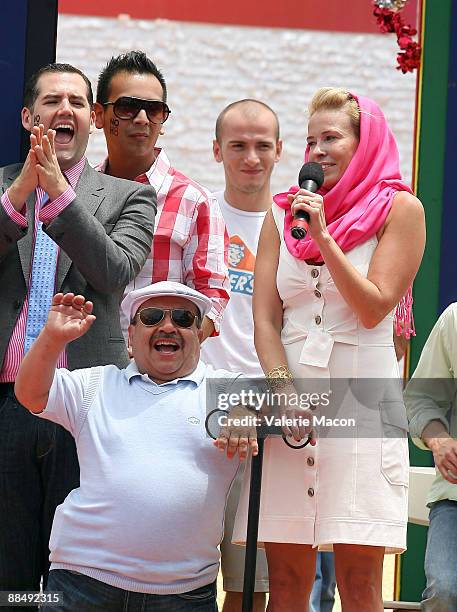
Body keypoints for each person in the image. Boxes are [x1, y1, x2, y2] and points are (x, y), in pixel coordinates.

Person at [232, 87, 426, 611]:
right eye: (310, 140)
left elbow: (374, 307)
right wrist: (283, 390)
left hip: (363, 399)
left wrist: (324, 237)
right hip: (291, 395)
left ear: (364, 143)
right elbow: (266, 319)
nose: (317, 151)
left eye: (332, 138)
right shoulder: (281, 214)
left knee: (360, 582)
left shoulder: (401, 210)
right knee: (288, 578)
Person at [0, 63, 155, 601]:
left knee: (76, 568)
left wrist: (59, 195)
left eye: (76, 101)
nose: (63, 109)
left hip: (85, 402)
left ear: (91, 118)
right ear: (28, 117)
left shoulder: (129, 196)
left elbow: (115, 271)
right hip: (6, 402)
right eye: (50, 101)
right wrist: (23, 189)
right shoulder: (1, 189)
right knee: (10, 569)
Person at [14, 282, 257, 612]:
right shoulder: (96, 383)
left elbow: (315, 405)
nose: (168, 326)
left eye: (184, 318)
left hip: (184, 595)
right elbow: (29, 394)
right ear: (131, 333)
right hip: (81, 584)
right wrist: (52, 339)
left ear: (200, 334)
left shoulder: (226, 389)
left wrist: (251, 410)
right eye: (152, 316)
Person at [201, 98, 283, 611]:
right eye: (238, 145)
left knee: (251, 581)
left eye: (262, 145)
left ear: (280, 151)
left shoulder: (299, 232)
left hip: (270, 412)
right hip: (201, 403)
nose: (250, 157)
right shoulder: (199, 213)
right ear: (217, 150)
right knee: (177, 566)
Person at [94, 50, 230, 340]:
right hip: (84, 371)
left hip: (159, 378)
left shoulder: (196, 201)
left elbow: (212, 297)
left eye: (154, 110)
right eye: (128, 107)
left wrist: (165, 353)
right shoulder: (76, 193)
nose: (142, 119)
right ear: (98, 116)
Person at [405, 304, 457, 612]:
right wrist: (438, 440)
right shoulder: (454, 318)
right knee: (444, 591)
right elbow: (420, 398)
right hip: (453, 496)